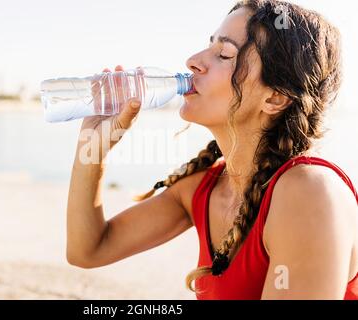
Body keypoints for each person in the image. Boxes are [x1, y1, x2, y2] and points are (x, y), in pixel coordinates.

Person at [66, 0, 358, 299]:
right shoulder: (202, 190)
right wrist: (93, 146)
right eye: (208, 46)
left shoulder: (309, 192)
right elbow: (88, 250)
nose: (193, 61)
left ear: (275, 99)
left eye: (224, 54)